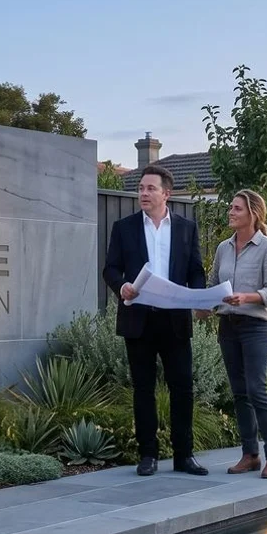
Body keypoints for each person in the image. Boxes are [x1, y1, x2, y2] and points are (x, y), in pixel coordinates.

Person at [102, 164, 209, 476]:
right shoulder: (123, 227)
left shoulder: (187, 228)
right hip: (139, 319)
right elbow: (110, 268)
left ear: (167, 193)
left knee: (182, 388)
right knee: (143, 389)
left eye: (150, 188)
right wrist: (120, 286)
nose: (143, 194)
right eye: (141, 189)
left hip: (175, 320)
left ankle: (184, 456)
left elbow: (196, 271)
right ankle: (147, 455)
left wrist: (199, 297)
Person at [196, 189, 267, 479]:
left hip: (257, 327)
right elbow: (213, 284)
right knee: (239, 394)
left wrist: (246, 297)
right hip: (228, 327)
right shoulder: (223, 248)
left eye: (236, 208)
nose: (230, 212)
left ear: (253, 214)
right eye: (230, 208)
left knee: (257, 390)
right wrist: (204, 305)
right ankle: (250, 455)